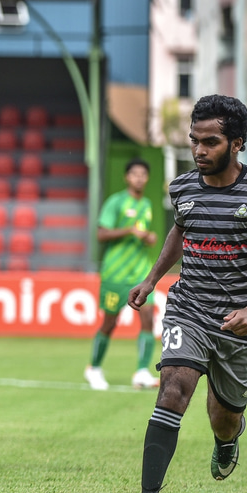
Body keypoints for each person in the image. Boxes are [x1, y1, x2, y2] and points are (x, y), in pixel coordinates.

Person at [125, 94, 247, 493]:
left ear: (237, 143)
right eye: (194, 140)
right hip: (190, 308)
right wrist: (152, 279)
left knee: (223, 417)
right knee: (173, 389)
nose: (199, 150)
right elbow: (180, 231)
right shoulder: (183, 188)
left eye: (210, 142)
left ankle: (227, 440)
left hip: (242, 325)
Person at [85, 158, 160, 390]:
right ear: (127, 177)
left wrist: (148, 238)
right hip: (115, 274)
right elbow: (101, 234)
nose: (139, 178)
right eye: (135, 174)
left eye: (143, 174)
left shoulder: (146, 204)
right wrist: (129, 230)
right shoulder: (116, 202)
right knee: (110, 323)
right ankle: (94, 368)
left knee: (148, 319)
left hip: (140, 273)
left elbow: (142, 232)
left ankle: (142, 372)